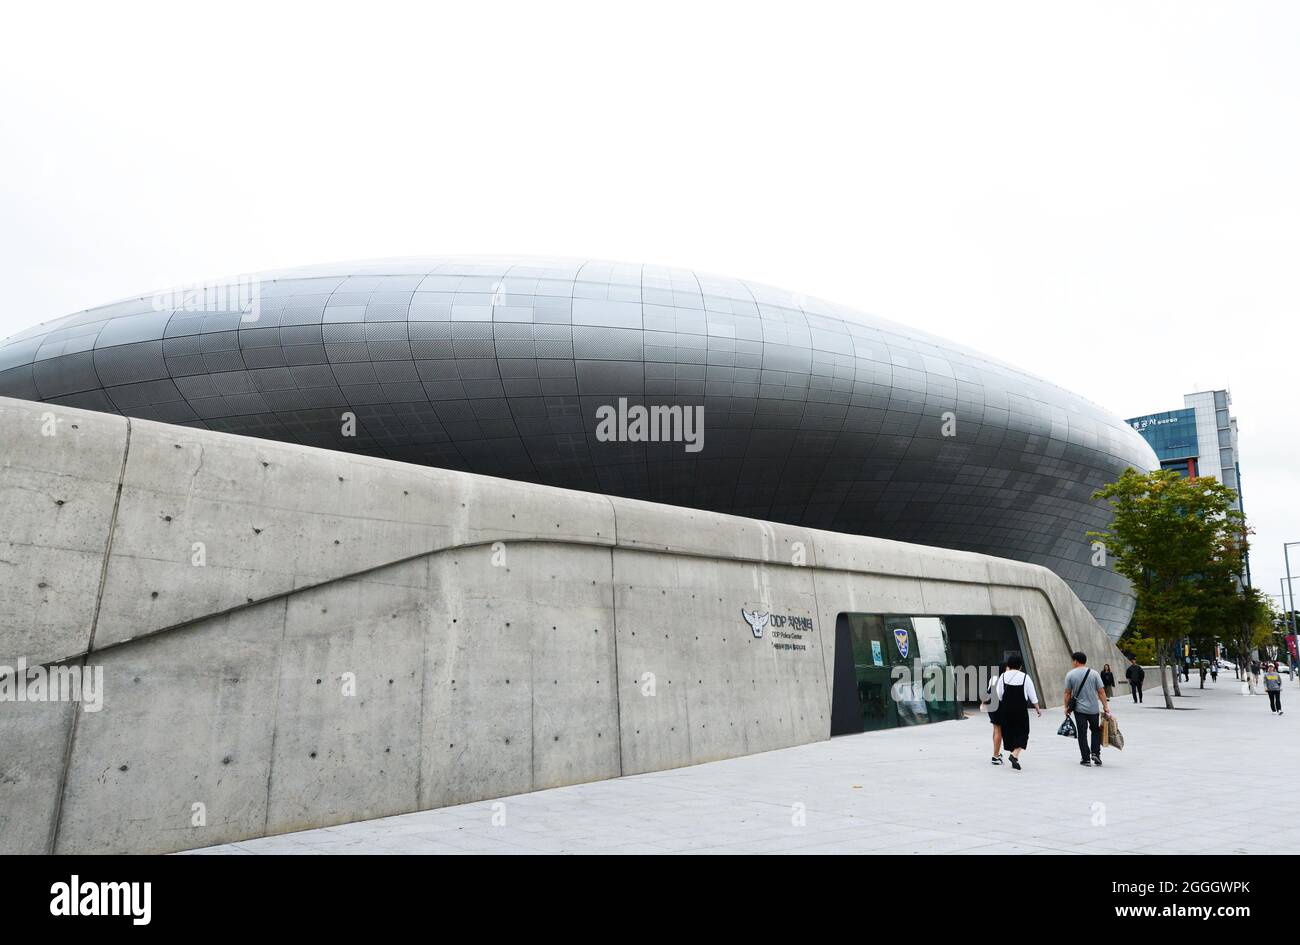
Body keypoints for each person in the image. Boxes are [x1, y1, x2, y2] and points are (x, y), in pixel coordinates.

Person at [993, 654, 1041, 770]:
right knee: (1023, 732)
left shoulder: (1003, 676)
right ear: (1020, 666)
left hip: (1006, 709)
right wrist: (1037, 708)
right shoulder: (1025, 677)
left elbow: (999, 694)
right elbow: (1032, 694)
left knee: (1009, 731)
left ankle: (1013, 753)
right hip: (1020, 710)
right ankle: (1015, 754)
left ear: (1008, 664)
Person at [1064, 651, 1111, 767]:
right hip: (1093, 709)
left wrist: (1066, 707)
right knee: (1095, 730)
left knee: (1082, 733)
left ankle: (1085, 758)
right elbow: (1101, 691)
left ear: (1075, 661)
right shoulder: (1094, 673)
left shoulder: (1070, 674)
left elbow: (1067, 693)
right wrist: (1105, 706)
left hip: (1079, 710)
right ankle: (1096, 753)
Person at [986, 661, 1007, 765]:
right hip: (997, 706)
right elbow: (1001, 696)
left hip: (991, 706)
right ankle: (995, 756)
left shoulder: (993, 678)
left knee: (996, 729)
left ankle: (996, 753)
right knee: (998, 730)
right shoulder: (1002, 679)